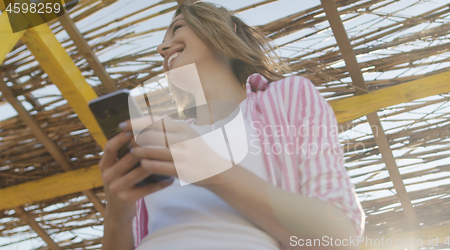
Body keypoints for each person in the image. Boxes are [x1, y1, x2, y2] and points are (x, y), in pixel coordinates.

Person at [99, 1, 365, 250]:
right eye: (161, 44)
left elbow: (340, 238)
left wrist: (214, 171)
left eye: (178, 27)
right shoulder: (161, 138)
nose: (162, 49)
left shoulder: (287, 97)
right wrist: (117, 214)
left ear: (228, 29)